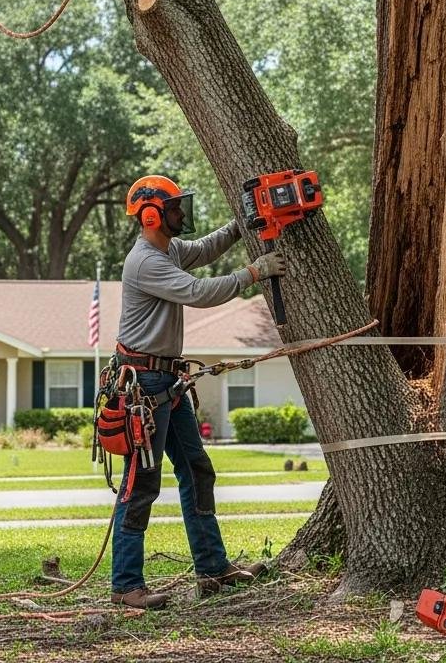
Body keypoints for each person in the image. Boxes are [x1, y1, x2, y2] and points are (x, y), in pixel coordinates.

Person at [109, 174, 287, 610]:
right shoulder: (146, 261)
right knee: (141, 483)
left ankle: (212, 569)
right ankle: (125, 585)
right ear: (151, 215)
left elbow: (205, 250)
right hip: (144, 386)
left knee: (196, 470)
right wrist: (253, 273)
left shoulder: (167, 250)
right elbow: (197, 292)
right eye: (173, 207)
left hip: (165, 381)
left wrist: (241, 224)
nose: (181, 213)